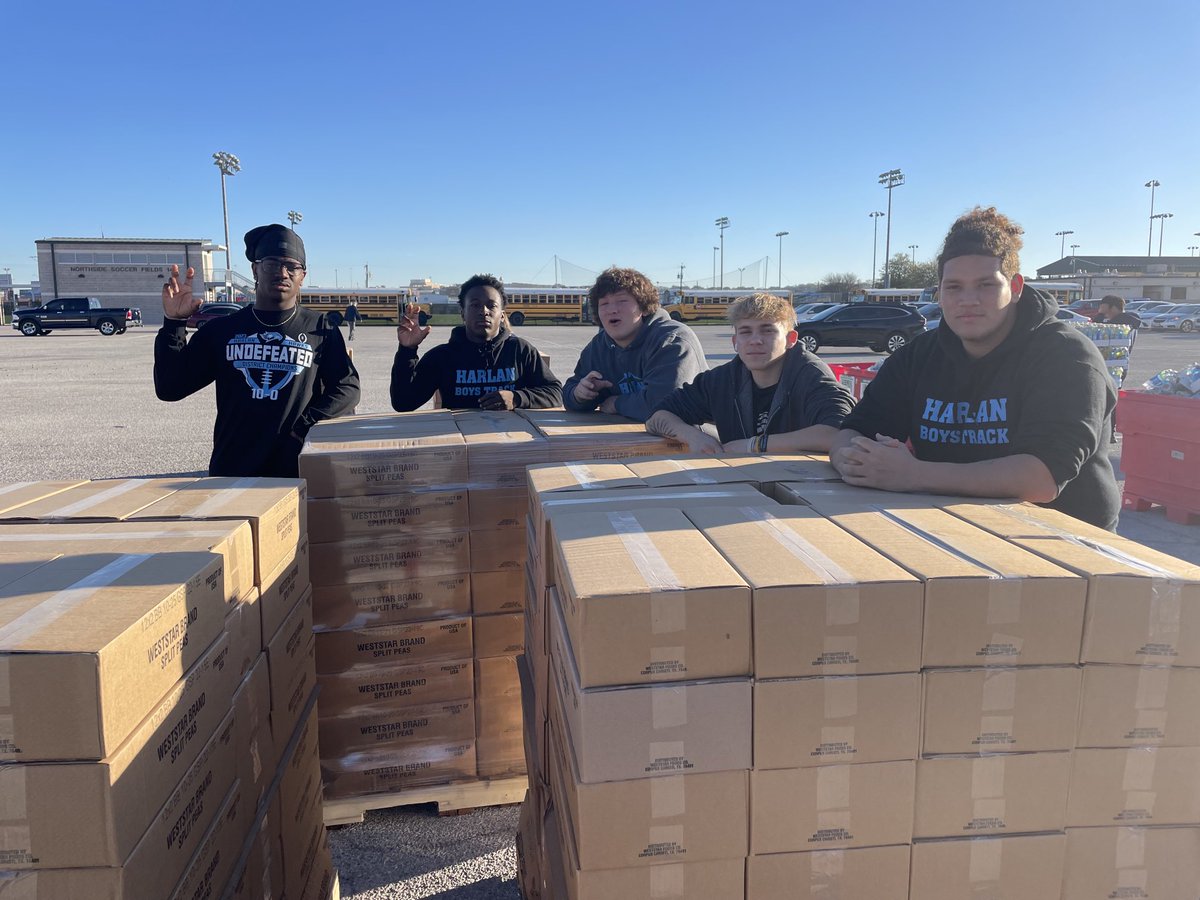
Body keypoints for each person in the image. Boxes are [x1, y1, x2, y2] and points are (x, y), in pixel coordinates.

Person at [829, 206, 1120, 530]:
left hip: (1063, 548)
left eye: (985, 285)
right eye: (954, 287)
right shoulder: (920, 356)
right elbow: (853, 431)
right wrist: (851, 459)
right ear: (939, 293)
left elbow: (1041, 479)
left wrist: (913, 474)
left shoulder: (1066, 356)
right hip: (953, 527)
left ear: (1016, 287)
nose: (968, 299)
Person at [154, 224, 360, 478]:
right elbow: (169, 387)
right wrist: (173, 324)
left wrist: (304, 426)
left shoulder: (321, 330)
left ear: (302, 275)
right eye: (272, 263)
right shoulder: (224, 330)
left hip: (296, 473)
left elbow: (348, 388)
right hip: (232, 471)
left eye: (292, 266)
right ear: (255, 269)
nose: (282, 273)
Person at [646, 292, 853, 453]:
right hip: (740, 484)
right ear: (735, 342)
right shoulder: (722, 380)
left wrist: (754, 446)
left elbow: (840, 433)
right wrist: (693, 437)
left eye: (767, 330)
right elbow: (658, 416)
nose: (755, 340)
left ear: (791, 339)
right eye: (745, 332)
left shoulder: (811, 375)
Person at [389, 273, 562, 411]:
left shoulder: (520, 350)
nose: (483, 311)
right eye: (475, 305)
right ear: (463, 312)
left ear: (502, 314)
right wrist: (407, 350)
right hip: (462, 447)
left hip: (509, 444)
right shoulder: (442, 357)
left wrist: (517, 398)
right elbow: (403, 403)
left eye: (491, 305)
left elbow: (555, 392)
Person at [563, 266, 706, 421]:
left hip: (691, 441)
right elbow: (568, 392)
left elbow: (666, 406)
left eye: (622, 301)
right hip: (627, 437)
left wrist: (617, 404)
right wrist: (580, 394)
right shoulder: (599, 346)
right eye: (604, 304)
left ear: (644, 308)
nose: (612, 310)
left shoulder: (672, 341)